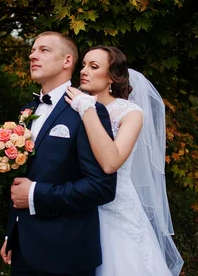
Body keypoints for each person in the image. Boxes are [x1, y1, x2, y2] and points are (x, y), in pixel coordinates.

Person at [0, 32, 117, 276]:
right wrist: (12, 232)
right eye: (33, 50)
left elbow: (102, 188)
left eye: (44, 50)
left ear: (66, 61)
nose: (32, 55)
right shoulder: (28, 109)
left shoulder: (87, 110)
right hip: (23, 249)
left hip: (65, 255)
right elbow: (24, 176)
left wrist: (35, 194)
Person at [65, 46, 184, 276]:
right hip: (78, 201)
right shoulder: (71, 105)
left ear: (112, 76)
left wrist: (86, 108)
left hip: (116, 210)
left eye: (94, 66)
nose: (84, 71)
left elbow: (112, 162)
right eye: (83, 65)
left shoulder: (130, 113)